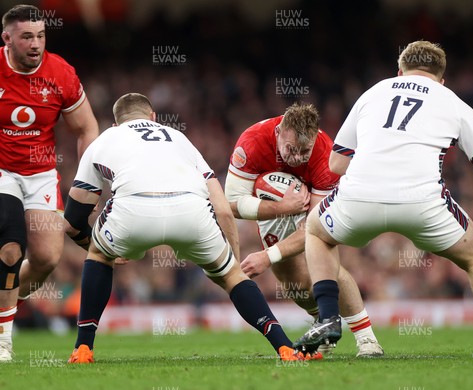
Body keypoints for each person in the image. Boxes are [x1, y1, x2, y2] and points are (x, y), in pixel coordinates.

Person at [293, 41, 473, 360]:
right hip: (423, 202)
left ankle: (328, 318)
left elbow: (336, 165)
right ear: (441, 80)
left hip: (360, 197)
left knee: (316, 232)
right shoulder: (452, 102)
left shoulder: (372, 93)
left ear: (399, 71)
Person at [64, 93, 307, 363]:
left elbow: (74, 217)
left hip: (135, 209)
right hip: (191, 209)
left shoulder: (105, 139)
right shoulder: (177, 137)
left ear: (116, 123)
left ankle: (84, 348)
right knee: (231, 277)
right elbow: (223, 208)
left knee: (98, 256)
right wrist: (233, 265)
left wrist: (95, 245)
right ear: (153, 117)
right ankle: (285, 347)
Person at [224, 103, 383, 357]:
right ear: (279, 133)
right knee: (296, 286)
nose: (297, 157)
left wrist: (267, 256)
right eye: (290, 149)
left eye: (304, 151)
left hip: (312, 210)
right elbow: (229, 203)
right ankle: (323, 325)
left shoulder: (325, 154)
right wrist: (282, 207)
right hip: (272, 209)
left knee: (328, 266)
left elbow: (316, 225)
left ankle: (367, 338)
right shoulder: (252, 141)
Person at [0, 4, 99, 361]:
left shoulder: (60, 73)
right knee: (10, 247)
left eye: (41, 35)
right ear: (7, 39)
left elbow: (87, 128)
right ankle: (3, 341)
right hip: (2, 170)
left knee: (45, 258)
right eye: (27, 36)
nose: (36, 44)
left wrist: (88, 183)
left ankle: (3, 302)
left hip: (41, 173)